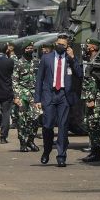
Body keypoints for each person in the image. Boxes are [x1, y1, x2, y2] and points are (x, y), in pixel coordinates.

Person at [34, 34, 83, 167]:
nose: (60, 46)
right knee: (47, 125)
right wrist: (37, 98)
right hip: (49, 94)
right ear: (55, 43)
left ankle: (61, 156)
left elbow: (79, 74)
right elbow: (39, 79)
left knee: (63, 127)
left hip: (64, 96)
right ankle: (47, 149)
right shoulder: (46, 58)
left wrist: (73, 58)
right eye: (58, 44)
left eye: (63, 45)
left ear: (67, 47)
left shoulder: (70, 58)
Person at [14, 41, 41, 152]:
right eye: (28, 48)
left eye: (31, 48)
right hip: (22, 94)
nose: (30, 50)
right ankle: (23, 142)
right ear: (24, 50)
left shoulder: (37, 62)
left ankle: (31, 140)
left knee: (35, 118)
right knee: (22, 119)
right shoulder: (18, 63)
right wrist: (16, 96)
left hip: (35, 94)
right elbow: (14, 81)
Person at [81, 38, 100, 163]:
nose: (86, 48)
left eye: (88, 45)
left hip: (94, 99)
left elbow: (94, 82)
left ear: (94, 47)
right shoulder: (91, 60)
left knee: (94, 124)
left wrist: (91, 98)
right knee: (90, 124)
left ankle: (96, 152)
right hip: (91, 98)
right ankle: (94, 151)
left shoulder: (96, 61)